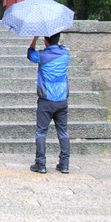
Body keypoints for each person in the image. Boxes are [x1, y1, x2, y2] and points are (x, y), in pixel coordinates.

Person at [27, 33, 71, 174]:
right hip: (62, 99)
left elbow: (30, 53)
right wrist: (56, 42)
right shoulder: (65, 55)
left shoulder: (42, 56)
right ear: (58, 40)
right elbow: (61, 47)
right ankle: (64, 164)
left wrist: (34, 39)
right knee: (63, 132)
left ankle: (41, 164)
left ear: (45, 41)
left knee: (41, 132)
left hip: (46, 100)